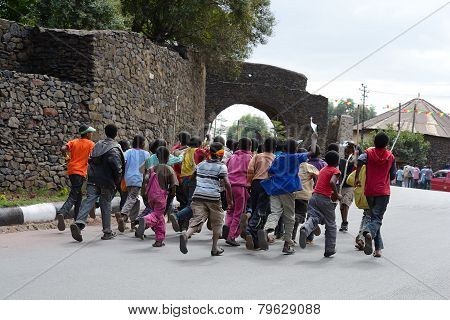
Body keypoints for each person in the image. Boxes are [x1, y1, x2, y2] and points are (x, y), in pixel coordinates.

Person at [258, 134, 318, 255]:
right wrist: (313, 140)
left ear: (284, 148)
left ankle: (267, 230)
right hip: (288, 190)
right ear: (295, 149)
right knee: (289, 217)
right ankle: (287, 244)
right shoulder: (296, 157)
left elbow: (270, 172)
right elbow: (312, 152)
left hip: (274, 189)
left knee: (275, 212)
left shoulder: (279, 158)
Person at [69, 124, 125, 242]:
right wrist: (117, 180)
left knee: (89, 200)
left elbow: (90, 159)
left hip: (93, 178)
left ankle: (78, 223)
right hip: (107, 181)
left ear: (105, 132)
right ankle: (107, 231)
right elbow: (117, 167)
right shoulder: (115, 148)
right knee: (105, 204)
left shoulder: (97, 145)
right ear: (115, 134)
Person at [179, 142, 233, 256]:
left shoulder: (201, 165)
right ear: (220, 155)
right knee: (217, 223)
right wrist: (230, 200)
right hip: (213, 197)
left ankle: (187, 234)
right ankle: (214, 248)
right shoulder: (221, 166)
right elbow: (227, 183)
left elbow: (192, 177)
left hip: (198, 196)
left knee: (197, 219)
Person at [355, 131, 396, 258]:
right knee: (377, 219)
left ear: (374, 142)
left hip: (370, 191)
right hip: (383, 192)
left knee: (374, 219)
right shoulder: (391, 156)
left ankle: (378, 249)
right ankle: (368, 233)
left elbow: (360, 162)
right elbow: (393, 175)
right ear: (386, 144)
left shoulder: (368, 153)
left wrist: (357, 177)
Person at [298, 150, 341, 257]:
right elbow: (332, 182)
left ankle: (305, 228)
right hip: (325, 199)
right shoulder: (335, 171)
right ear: (337, 162)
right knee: (331, 225)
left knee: (314, 217)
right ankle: (329, 249)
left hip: (314, 197)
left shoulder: (322, 169)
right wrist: (336, 194)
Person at [135, 146, 178, 247]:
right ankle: (146, 220)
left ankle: (159, 240)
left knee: (159, 218)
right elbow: (173, 186)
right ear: (168, 158)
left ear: (157, 157)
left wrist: (145, 195)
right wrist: (172, 194)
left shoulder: (152, 168)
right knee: (157, 215)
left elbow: (145, 181)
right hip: (161, 196)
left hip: (150, 196)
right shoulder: (169, 169)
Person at [56, 124, 96, 231]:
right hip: (80, 172)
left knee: (78, 196)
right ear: (87, 134)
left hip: (72, 170)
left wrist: (67, 158)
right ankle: (62, 213)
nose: (92, 134)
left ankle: (77, 220)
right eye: (91, 133)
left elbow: (63, 148)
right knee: (74, 195)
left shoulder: (74, 142)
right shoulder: (91, 144)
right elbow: (93, 158)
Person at [244, 137, 276, 250]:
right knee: (262, 211)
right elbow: (275, 174)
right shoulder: (275, 158)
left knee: (253, 208)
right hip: (267, 185)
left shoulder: (257, 156)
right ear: (274, 148)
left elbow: (250, 170)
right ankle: (250, 231)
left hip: (255, 184)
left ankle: (255, 240)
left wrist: (249, 183)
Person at [221, 138, 253, 246]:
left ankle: (227, 225)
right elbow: (251, 172)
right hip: (240, 187)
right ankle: (231, 236)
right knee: (239, 212)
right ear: (250, 146)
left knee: (230, 209)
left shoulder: (232, 157)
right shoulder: (249, 157)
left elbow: (226, 169)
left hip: (229, 186)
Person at [116, 135, 150, 232]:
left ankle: (133, 223)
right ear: (143, 143)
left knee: (135, 200)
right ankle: (123, 215)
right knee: (132, 197)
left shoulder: (128, 152)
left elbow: (123, 162)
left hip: (128, 178)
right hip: (138, 179)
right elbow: (148, 168)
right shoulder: (146, 154)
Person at [292, 147, 319, 242]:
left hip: (292, 195)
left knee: (294, 215)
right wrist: (315, 185)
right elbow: (318, 177)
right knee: (301, 216)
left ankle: (291, 238)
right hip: (304, 195)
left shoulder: (292, 166)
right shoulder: (309, 166)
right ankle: (308, 233)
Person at [338, 142, 356, 232]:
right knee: (342, 206)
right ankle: (344, 222)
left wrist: (355, 146)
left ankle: (345, 222)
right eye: (346, 150)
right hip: (341, 187)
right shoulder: (341, 161)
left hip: (350, 187)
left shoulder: (354, 162)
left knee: (345, 203)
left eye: (349, 150)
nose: (347, 151)